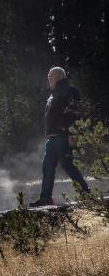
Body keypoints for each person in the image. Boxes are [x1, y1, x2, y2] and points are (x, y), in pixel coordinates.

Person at [30, 67, 90, 206]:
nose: (49, 78)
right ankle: (46, 198)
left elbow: (75, 113)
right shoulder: (52, 95)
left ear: (60, 76)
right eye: (48, 76)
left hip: (64, 136)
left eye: (51, 76)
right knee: (47, 166)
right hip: (52, 138)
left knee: (67, 165)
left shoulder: (70, 90)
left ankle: (86, 193)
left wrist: (73, 134)